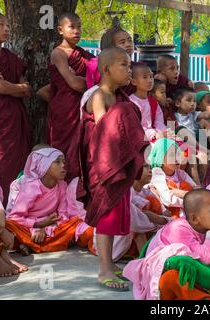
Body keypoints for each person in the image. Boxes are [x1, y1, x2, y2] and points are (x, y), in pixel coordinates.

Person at [84, 47, 148, 289]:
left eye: (129, 65)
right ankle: (103, 269)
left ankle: (110, 263)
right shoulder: (99, 96)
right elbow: (105, 132)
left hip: (118, 163)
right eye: (124, 65)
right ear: (106, 69)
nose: (129, 69)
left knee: (116, 213)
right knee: (107, 215)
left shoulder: (122, 98)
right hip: (104, 165)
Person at [123, 188, 210, 300]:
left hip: (196, 273)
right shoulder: (178, 229)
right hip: (162, 281)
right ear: (194, 218)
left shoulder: (205, 228)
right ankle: (206, 297)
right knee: (172, 278)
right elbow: (204, 260)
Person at [5, 148, 93, 256]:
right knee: (8, 225)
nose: (63, 166)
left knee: (76, 222)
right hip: (29, 227)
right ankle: (40, 244)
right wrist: (38, 225)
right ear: (43, 165)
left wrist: (46, 228)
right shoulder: (31, 187)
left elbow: (63, 215)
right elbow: (15, 218)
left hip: (51, 226)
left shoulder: (62, 185)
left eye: (64, 162)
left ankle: (31, 245)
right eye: (57, 162)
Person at [0, 12, 31, 201]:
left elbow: (27, 90)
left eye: (8, 25)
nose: (7, 29)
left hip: (14, 118)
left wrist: (13, 87)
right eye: (1, 25)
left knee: (17, 162)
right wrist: (17, 88)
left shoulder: (11, 58)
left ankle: (14, 205)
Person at [47, 13, 94, 156]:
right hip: (65, 108)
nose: (77, 31)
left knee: (82, 148)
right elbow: (74, 84)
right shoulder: (58, 53)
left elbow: (100, 75)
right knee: (64, 150)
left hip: (84, 104)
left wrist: (80, 78)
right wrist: (87, 81)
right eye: (72, 27)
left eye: (79, 27)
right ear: (60, 30)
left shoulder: (84, 54)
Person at [148, 138, 197, 219]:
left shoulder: (180, 173)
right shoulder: (157, 173)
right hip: (169, 214)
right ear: (161, 158)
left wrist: (183, 194)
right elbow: (167, 199)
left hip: (185, 209)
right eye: (171, 155)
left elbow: (195, 189)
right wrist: (189, 201)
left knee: (185, 185)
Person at [129, 64, 167, 143]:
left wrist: (161, 132)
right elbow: (135, 127)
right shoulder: (131, 102)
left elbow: (159, 121)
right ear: (134, 81)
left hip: (157, 135)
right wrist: (154, 135)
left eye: (151, 77)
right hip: (141, 139)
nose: (150, 80)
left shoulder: (153, 102)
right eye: (145, 77)